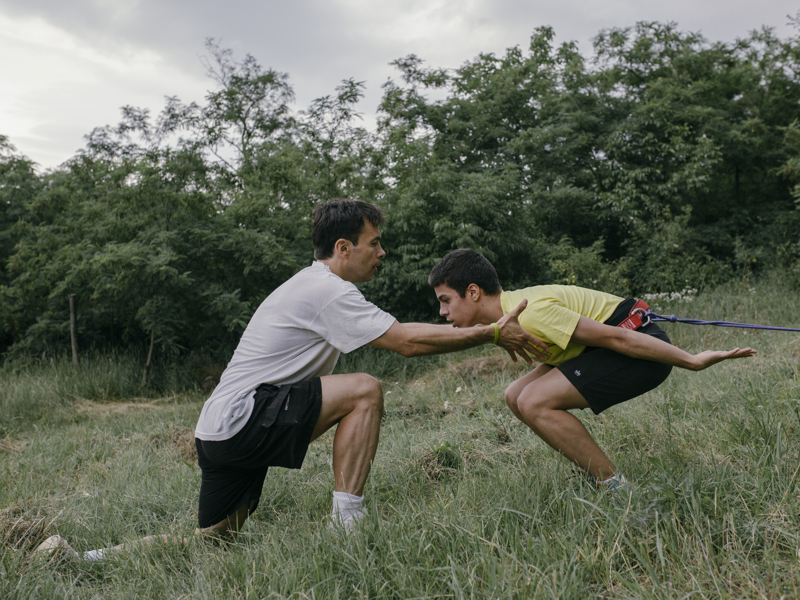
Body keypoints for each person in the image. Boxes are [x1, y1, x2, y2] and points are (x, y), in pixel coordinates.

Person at [35, 201, 548, 561]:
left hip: (216, 432)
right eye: (375, 242)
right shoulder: (327, 290)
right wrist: (491, 331)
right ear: (344, 247)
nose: (382, 252)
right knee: (365, 389)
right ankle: (348, 526)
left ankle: (87, 559)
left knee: (214, 539)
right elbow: (406, 343)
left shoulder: (315, 286)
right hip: (242, 418)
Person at [427, 248, 756, 489]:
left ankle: (617, 488)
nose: (442, 311)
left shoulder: (530, 313)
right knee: (514, 395)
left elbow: (619, 338)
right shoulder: (507, 317)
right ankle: (592, 472)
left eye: (445, 300)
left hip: (640, 346)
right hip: (605, 348)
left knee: (533, 401)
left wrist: (691, 361)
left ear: (472, 292)